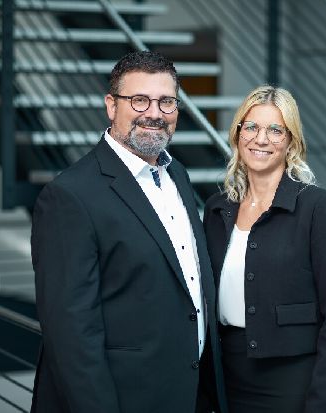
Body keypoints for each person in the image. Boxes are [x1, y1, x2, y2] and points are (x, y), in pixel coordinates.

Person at [30, 51, 226, 413]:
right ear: (111, 106)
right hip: (125, 399)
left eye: (166, 101)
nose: (154, 113)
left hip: (188, 394)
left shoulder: (177, 174)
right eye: (139, 100)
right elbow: (71, 334)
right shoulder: (69, 196)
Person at [203, 85, 326, 413]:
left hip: (293, 381)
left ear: (291, 142)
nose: (261, 139)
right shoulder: (217, 209)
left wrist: (323, 403)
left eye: (275, 130)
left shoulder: (319, 208)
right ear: (238, 134)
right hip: (227, 376)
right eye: (251, 127)